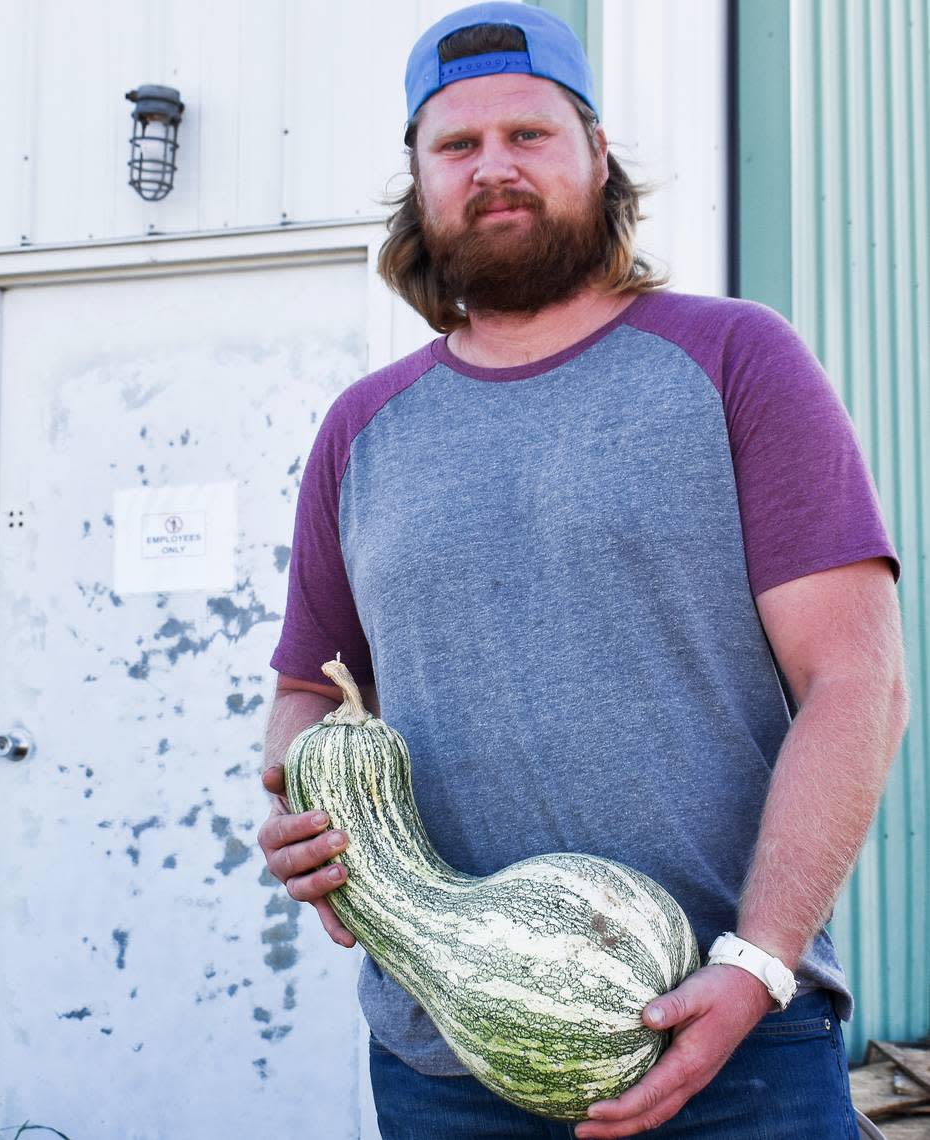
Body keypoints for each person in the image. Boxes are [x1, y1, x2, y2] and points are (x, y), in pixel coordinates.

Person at [256, 4, 909, 1137]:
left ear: (597, 156)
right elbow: (310, 694)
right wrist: (302, 818)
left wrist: (758, 962)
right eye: (456, 147)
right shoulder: (361, 431)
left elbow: (859, 683)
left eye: (530, 134)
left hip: (732, 1035)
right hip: (446, 1057)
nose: (494, 169)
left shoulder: (736, 359)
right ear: (418, 180)